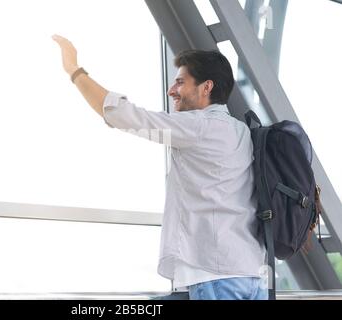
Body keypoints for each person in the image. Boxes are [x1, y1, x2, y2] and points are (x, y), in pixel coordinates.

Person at [52, 34, 267, 300]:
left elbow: (123, 115)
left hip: (216, 276)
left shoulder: (198, 127)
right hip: (250, 275)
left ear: (206, 87)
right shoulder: (241, 130)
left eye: (180, 82)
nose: (171, 90)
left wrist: (74, 70)